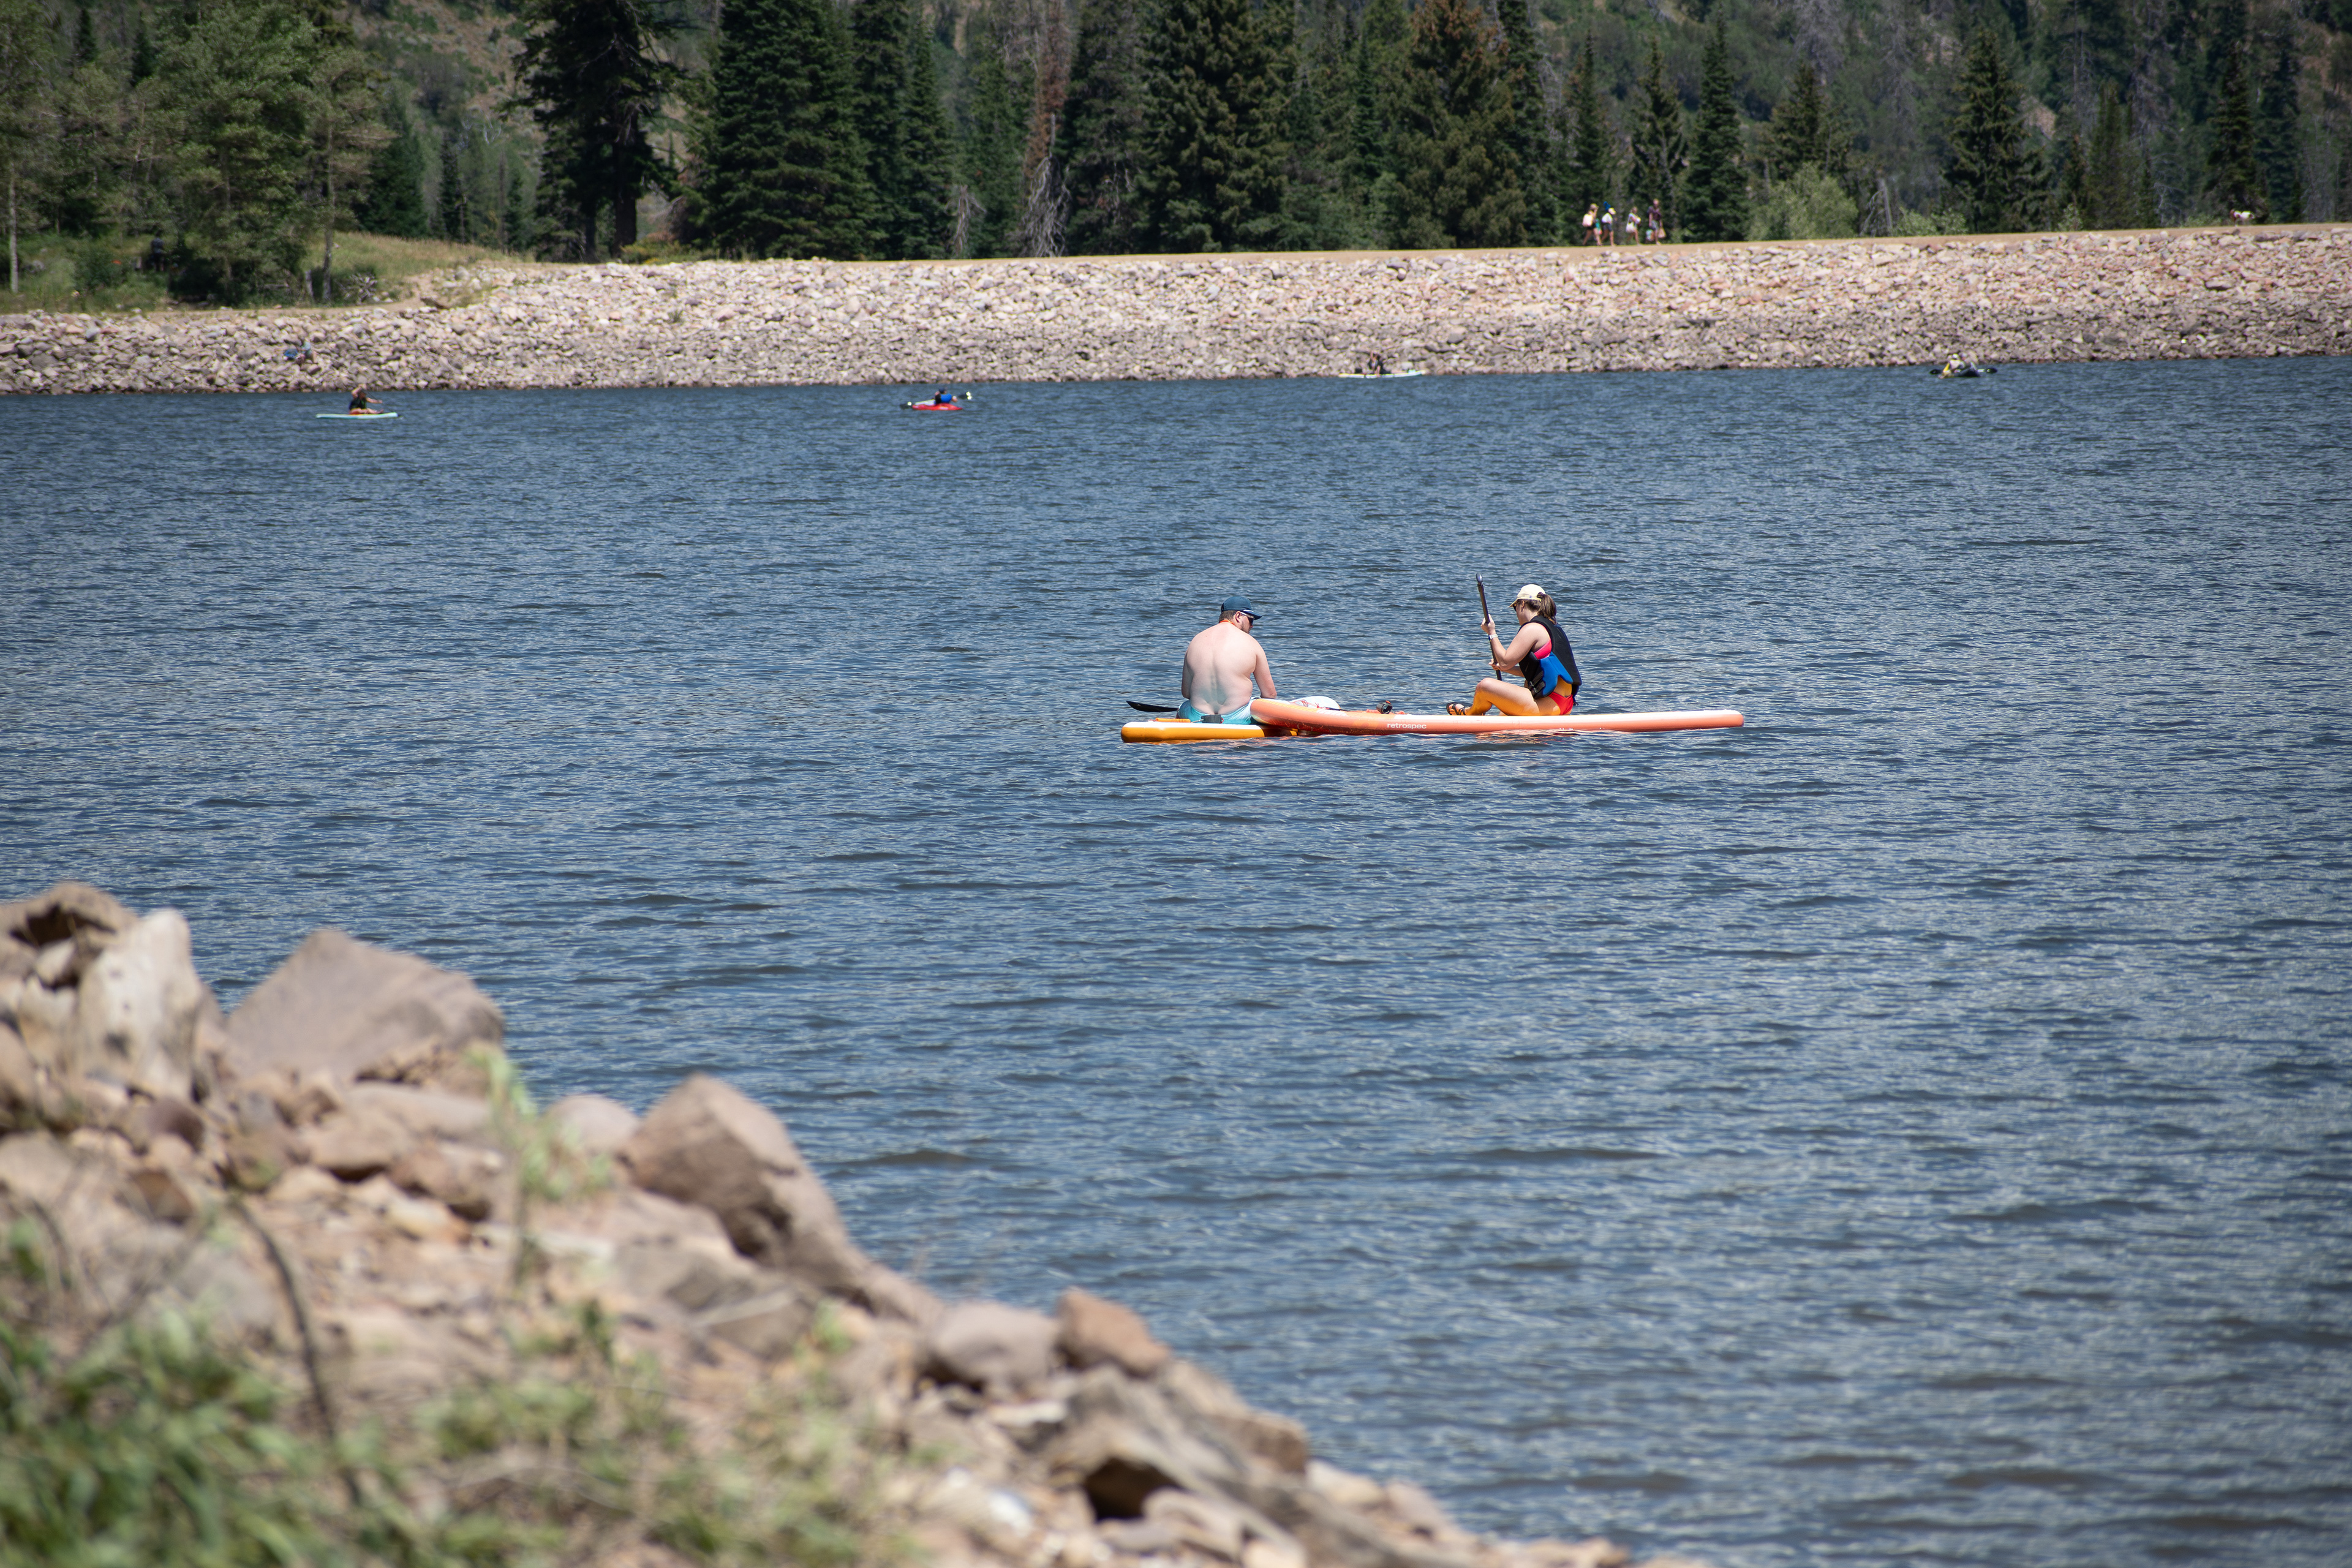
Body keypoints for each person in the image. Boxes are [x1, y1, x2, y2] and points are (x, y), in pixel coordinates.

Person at [1448, 584, 1578, 717]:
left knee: (1485, 686)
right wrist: (1504, 669)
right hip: (1564, 704)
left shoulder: (1532, 628)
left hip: (1548, 704)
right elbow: (1539, 673)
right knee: (1503, 714)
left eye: (1515, 608)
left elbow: (1505, 661)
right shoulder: (1555, 628)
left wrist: (1492, 632)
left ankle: (1470, 713)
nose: (1516, 613)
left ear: (1522, 604)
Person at [1179, 596, 1278, 724]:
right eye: (1251, 620)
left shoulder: (1195, 641)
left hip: (1198, 717)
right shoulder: (1252, 643)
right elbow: (1270, 695)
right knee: (1263, 704)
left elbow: (1186, 693)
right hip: (1238, 718)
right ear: (1238, 616)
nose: (1252, 626)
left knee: (1184, 706)